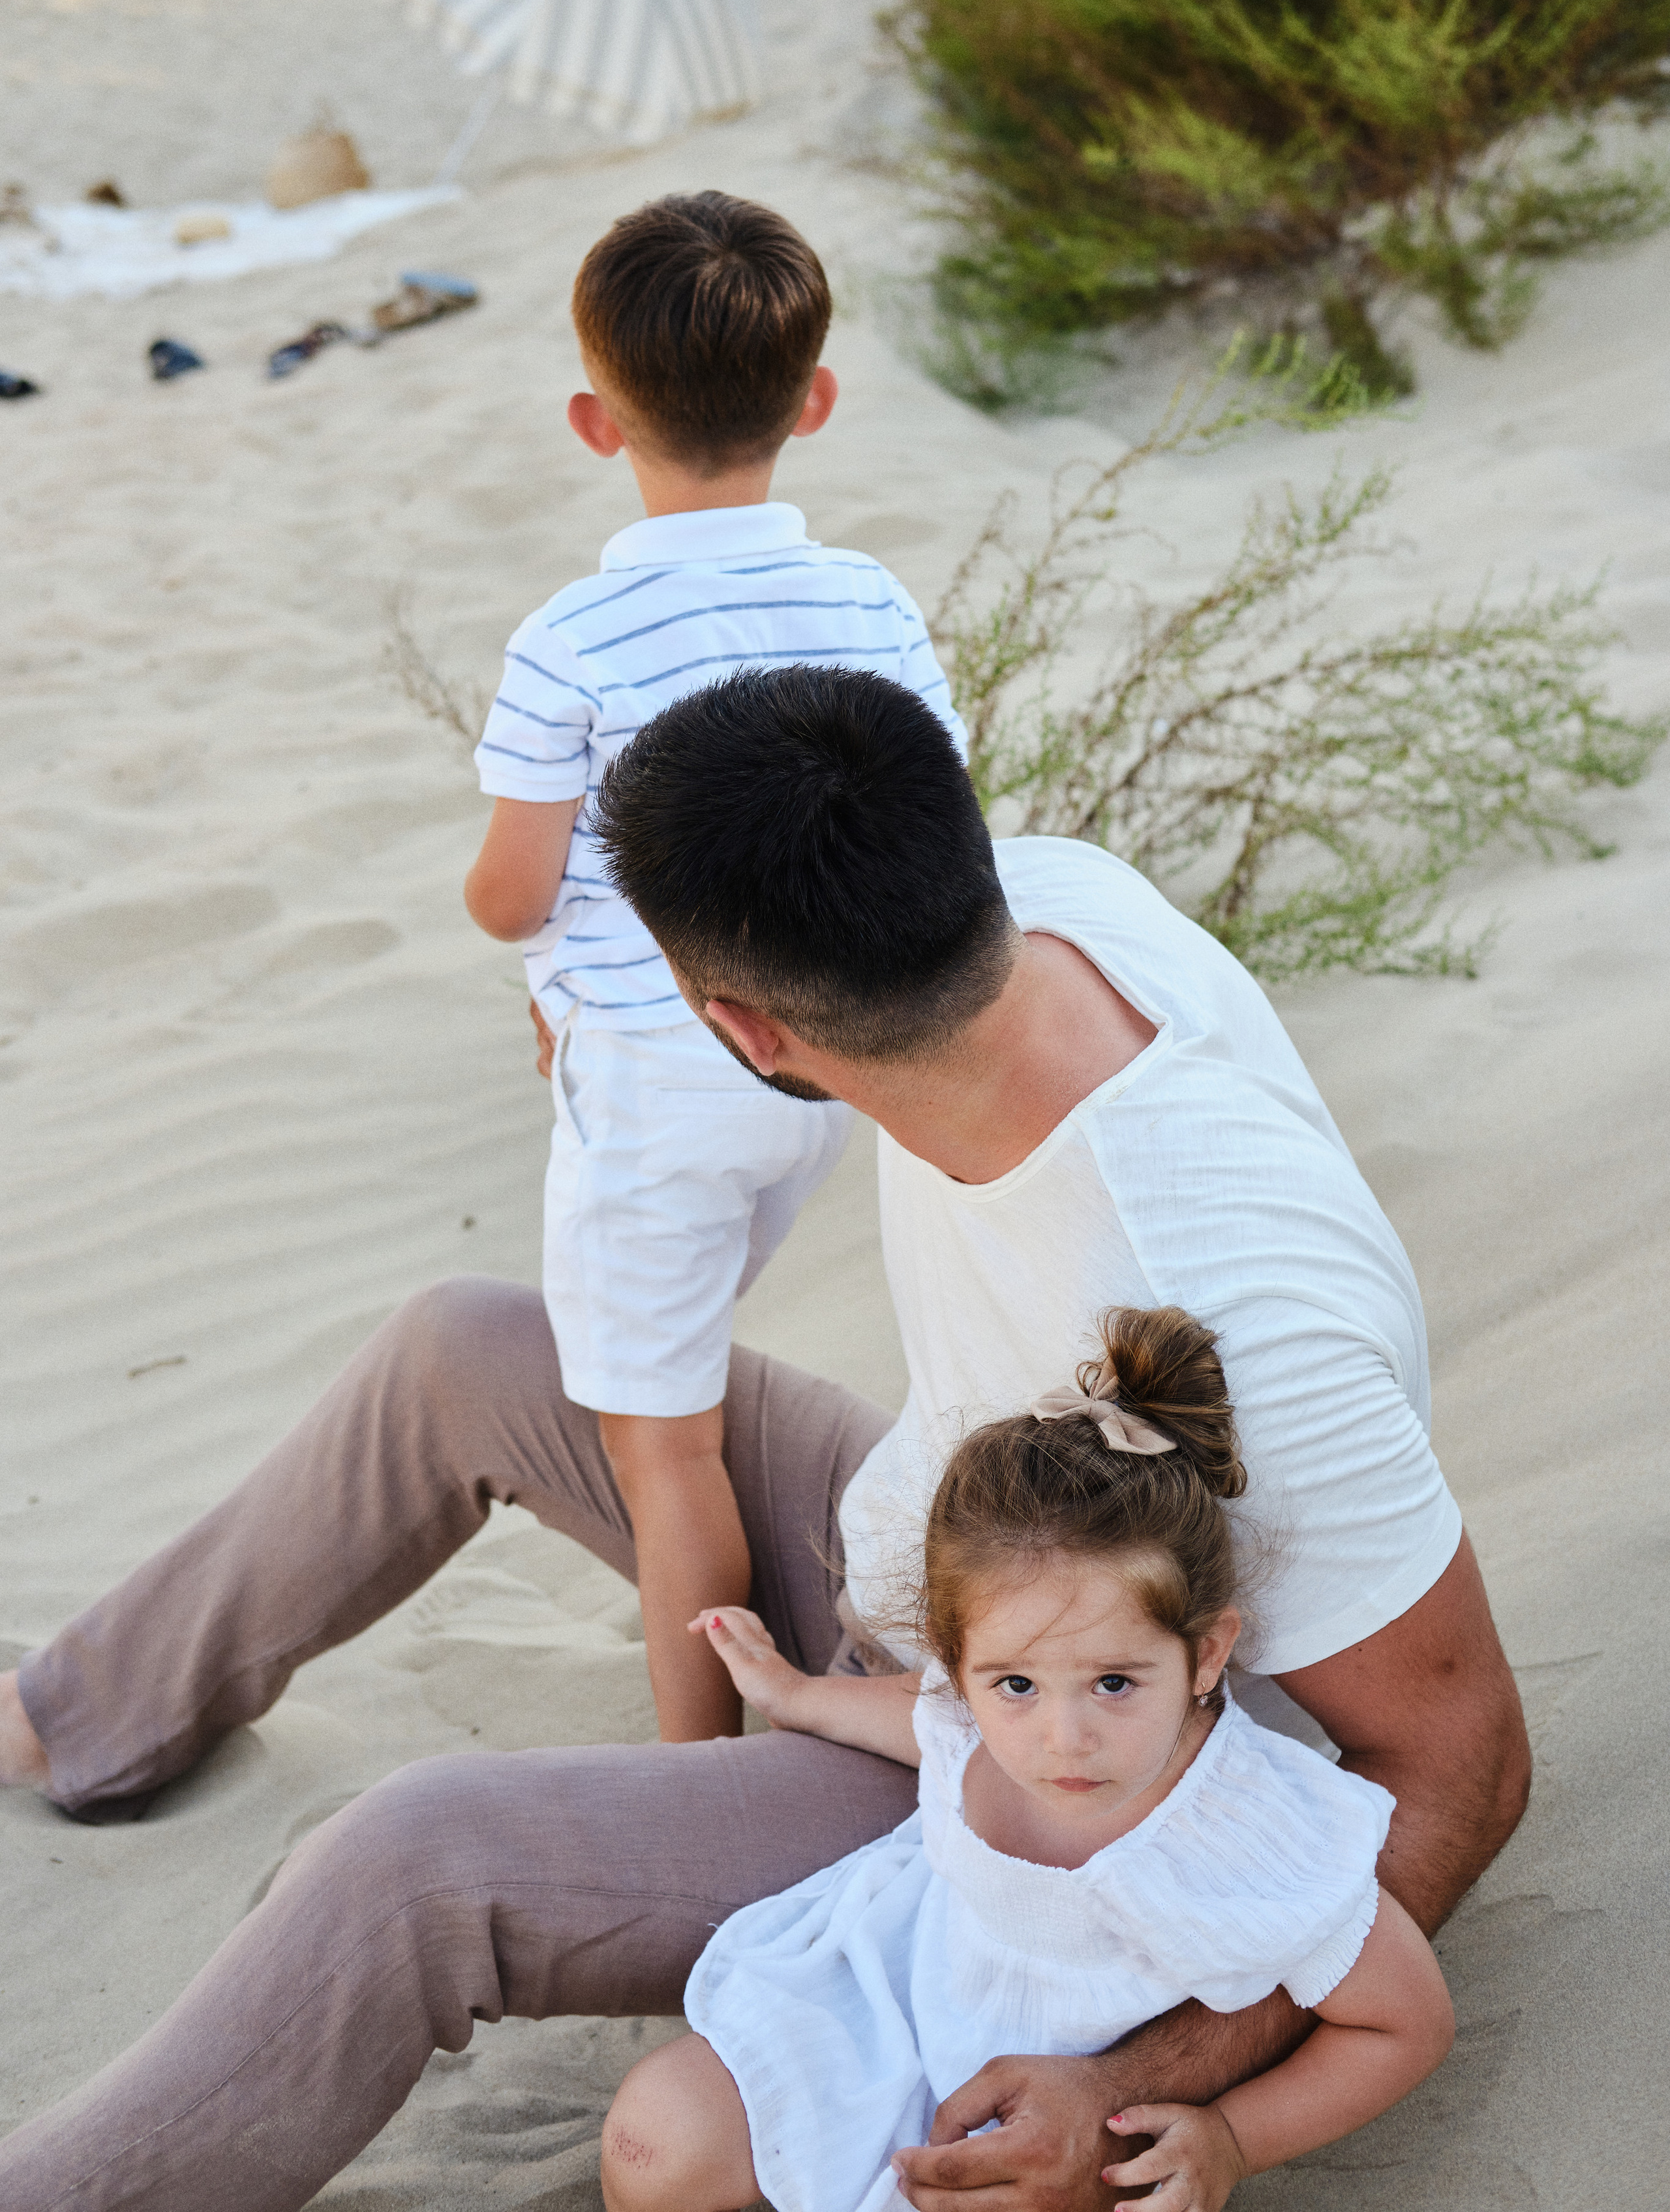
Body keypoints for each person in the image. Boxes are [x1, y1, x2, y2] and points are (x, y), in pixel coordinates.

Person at [0, 669, 1528, 2212]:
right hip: (951, 1549)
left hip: (1038, 1765)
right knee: (462, 1347)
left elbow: (1460, 1764)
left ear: (743, 1025)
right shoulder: (1044, 905)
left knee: (409, 1861)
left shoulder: (1233, 1311)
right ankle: (74, 1718)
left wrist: (1130, 2087)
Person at [462, 189, 963, 1738]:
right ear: (811, 401)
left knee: (656, 1445)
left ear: (591, 420)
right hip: (824, 1071)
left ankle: (697, 1770)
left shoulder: (572, 638)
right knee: (676, 1363)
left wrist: (533, 942)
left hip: (658, 1088)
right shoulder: (869, 600)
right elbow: (929, 821)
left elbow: (506, 894)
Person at [604, 1307, 1453, 2212]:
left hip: (1040, 2129)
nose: (1064, 1737)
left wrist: (1236, 2138)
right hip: (892, 2006)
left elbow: (1406, 2021)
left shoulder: (1243, 1827)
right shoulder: (973, 1711)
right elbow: (928, 1723)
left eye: (1116, 1683)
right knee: (651, 2143)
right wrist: (796, 1696)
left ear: (1205, 1655)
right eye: (1014, 1685)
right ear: (958, 1659)